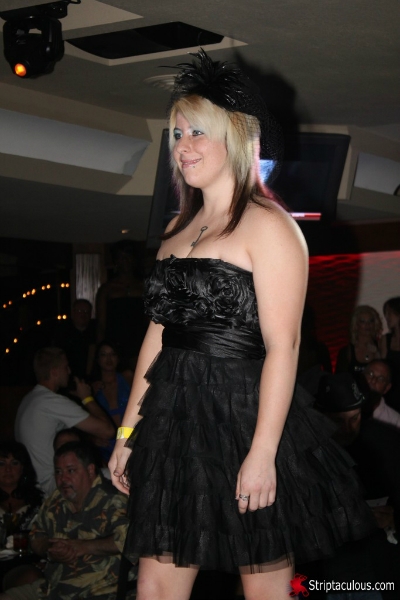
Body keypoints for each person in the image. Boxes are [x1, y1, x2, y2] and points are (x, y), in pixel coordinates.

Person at [109, 49, 375, 600]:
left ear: (235, 139)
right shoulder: (175, 233)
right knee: (154, 585)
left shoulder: (269, 226)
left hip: (245, 420)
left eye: (197, 132)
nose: (182, 145)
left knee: (266, 588)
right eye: (177, 133)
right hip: (175, 428)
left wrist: (263, 453)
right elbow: (157, 337)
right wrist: (127, 433)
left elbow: (285, 346)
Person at [0, 442, 129, 600]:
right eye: (58, 472)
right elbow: (36, 535)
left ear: (90, 470)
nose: (63, 479)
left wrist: (83, 547)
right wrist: (50, 548)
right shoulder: (56, 500)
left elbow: (129, 540)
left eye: (71, 471)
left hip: (98, 590)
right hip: (52, 587)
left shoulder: (112, 500)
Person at [15, 347, 115, 495]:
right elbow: (108, 431)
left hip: (34, 484)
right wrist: (87, 398)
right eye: (66, 367)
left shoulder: (30, 399)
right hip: (51, 485)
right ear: (54, 372)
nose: (69, 371)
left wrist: (91, 439)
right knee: (118, 473)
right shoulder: (51, 401)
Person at [96, 240, 148, 366]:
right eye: (121, 257)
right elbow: (101, 325)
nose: (125, 261)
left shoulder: (144, 287)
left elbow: (149, 320)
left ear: (134, 260)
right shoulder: (107, 289)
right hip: (114, 347)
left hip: (139, 344)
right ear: (116, 261)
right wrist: (100, 352)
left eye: (128, 257)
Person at [91, 341, 131, 461]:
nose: (109, 359)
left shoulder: (127, 377)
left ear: (118, 358)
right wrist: (91, 438)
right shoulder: (91, 388)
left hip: (131, 440)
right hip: (107, 446)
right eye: (104, 354)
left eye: (113, 354)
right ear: (98, 359)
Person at [0, 441, 43, 533]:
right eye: (2, 463)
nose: (8, 469)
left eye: (14, 463)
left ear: (23, 467)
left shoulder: (39, 502)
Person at [51, 299, 97, 379]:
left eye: (86, 311)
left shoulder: (95, 332)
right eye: (79, 311)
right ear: (73, 313)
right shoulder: (62, 332)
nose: (83, 314)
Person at [335, 305, 383, 374]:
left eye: (371, 321)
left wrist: (378, 354)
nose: (367, 325)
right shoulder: (346, 351)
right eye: (362, 321)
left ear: (375, 324)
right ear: (356, 325)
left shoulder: (382, 347)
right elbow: (339, 377)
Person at [363, 360, 400, 429]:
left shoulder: (395, 422)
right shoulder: (346, 407)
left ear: (387, 388)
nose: (373, 381)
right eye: (370, 374)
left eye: (381, 379)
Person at [381, 296, 400, 411]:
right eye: (386, 314)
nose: (387, 317)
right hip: (390, 393)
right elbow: (382, 365)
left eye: (390, 313)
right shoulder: (386, 339)